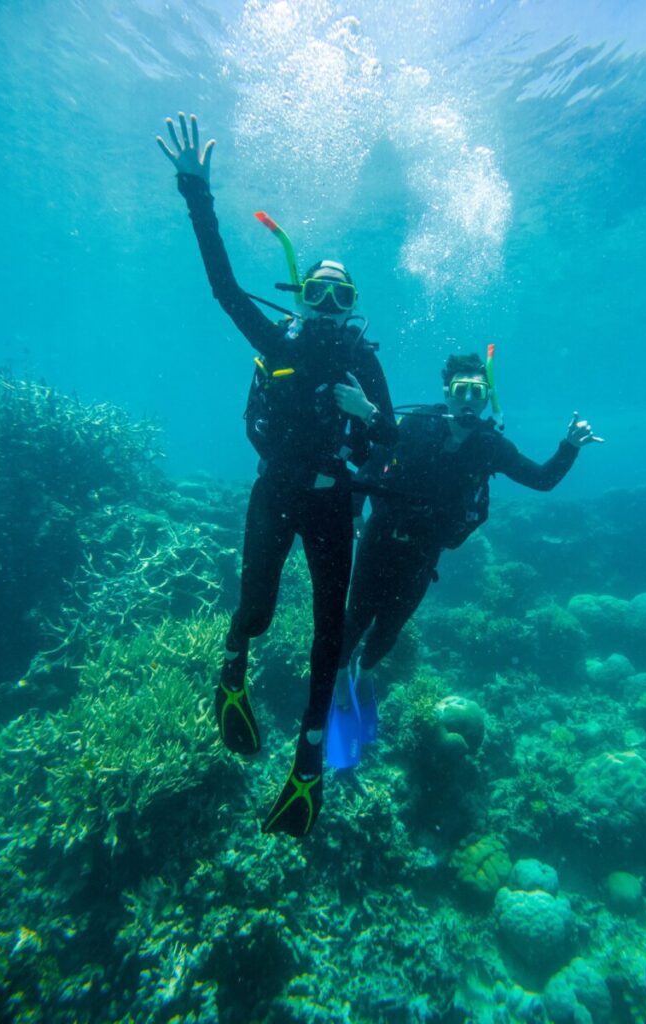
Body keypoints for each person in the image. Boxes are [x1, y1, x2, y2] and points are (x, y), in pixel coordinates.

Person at [157, 112, 396, 836]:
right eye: (316, 294)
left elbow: (389, 444)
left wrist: (371, 414)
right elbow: (226, 289)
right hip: (276, 491)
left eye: (341, 298)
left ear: (354, 307)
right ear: (299, 297)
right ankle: (232, 671)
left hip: (333, 506)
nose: (326, 308)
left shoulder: (364, 360)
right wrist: (196, 194)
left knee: (330, 635)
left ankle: (309, 766)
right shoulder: (277, 337)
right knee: (257, 609)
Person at [327, 351, 602, 767]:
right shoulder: (417, 423)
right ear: (447, 393)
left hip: (426, 550)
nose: (469, 400)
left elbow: (542, 479)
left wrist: (570, 446)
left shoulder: (490, 446)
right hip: (381, 537)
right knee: (357, 616)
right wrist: (354, 515)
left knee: (393, 624)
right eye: (461, 391)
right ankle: (338, 680)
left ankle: (365, 673)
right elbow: (370, 462)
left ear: (487, 396)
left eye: (478, 391)